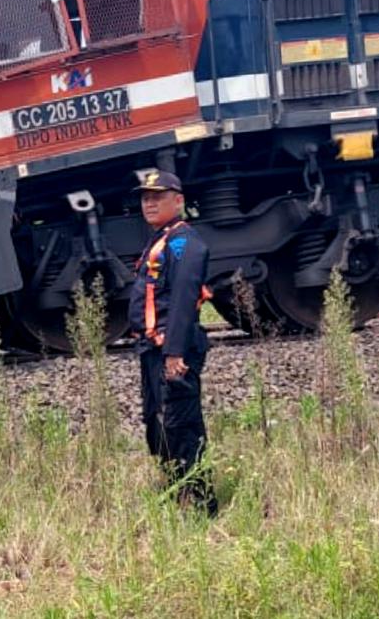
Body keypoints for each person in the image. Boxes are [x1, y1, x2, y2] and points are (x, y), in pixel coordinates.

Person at [128, 170, 218, 515]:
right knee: (157, 423)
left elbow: (182, 298)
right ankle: (176, 490)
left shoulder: (185, 243)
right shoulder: (161, 239)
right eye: (145, 197)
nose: (149, 203)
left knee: (182, 425)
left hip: (172, 351)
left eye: (158, 196)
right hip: (154, 349)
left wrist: (174, 353)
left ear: (178, 200)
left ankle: (201, 503)